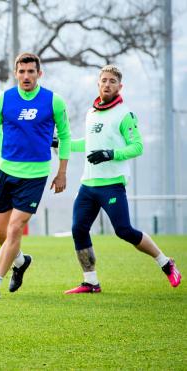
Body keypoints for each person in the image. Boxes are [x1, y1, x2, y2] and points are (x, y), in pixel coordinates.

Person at [62, 65, 181, 294]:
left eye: (112, 81)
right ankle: (91, 282)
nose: (107, 84)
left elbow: (137, 147)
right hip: (88, 184)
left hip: (112, 185)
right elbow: (88, 144)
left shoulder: (125, 114)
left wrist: (111, 154)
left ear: (120, 86)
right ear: (98, 83)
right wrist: (62, 143)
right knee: (78, 229)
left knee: (124, 230)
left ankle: (166, 263)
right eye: (104, 80)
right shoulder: (91, 112)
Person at [0, 52, 71, 299]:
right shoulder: (3, 100)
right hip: (6, 172)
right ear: (15, 74)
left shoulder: (54, 102)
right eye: (21, 71)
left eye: (31, 71)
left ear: (39, 74)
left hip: (36, 176)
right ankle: (20, 261)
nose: (26, 76)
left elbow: (64, 137)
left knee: (14, 229)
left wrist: (61, 172)